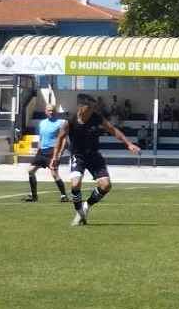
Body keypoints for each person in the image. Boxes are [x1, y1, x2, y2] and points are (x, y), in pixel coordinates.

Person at [54, 93, 141, 226]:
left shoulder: (97, 118)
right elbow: (60, 138)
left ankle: (86, 206)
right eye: (91, 108)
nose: (93, 110)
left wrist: (128, 143)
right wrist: (55, 157)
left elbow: (113, 130)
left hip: (94, 156)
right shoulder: (70, 121)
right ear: (81, 108)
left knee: (106, 186)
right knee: (76, 184)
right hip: (78, 155)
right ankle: (79, 212)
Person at [24, 105, 69, 202]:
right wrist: (38, 150)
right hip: (41, 152)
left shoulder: (61, 123)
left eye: (52, 110)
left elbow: (64, 140)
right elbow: (41, 138)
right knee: (30, 171)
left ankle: (64, 196)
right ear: (45, 111)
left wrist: (59, 154)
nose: (51, 112)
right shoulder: (42, 123)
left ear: (55, 111)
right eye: (49, 110)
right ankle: (34, 196)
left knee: (54, 174)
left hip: (52, 152)